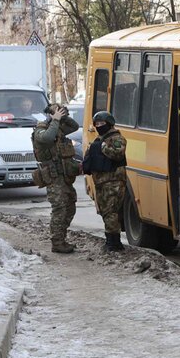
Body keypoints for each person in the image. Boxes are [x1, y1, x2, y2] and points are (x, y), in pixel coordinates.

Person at [31, 103, 80, 254]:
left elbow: (75, 126)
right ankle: (57, 242)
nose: (59, 114)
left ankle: (61, 237)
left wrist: (63, 117)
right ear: (49, 115)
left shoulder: (57, 128)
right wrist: (55, 120)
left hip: (64, 175)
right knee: (59, 208)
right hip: (52, 175)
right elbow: (48, 138)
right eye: (56, 112)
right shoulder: (41, 130)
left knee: (70, 205)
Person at [83, 110, 128, 252]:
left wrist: (102, 146)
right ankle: (112, 241)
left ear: (109, 124)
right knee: (105, 212)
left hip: (113, 182)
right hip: (101, 182)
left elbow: (117, 153)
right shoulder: (98, 139)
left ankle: (113, 243)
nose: (99, 126)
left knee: (110, 212)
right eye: (97, 124)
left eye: (102, 123)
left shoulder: (116, 138)